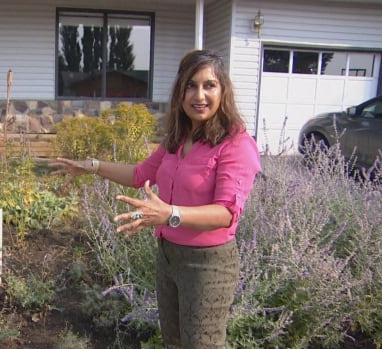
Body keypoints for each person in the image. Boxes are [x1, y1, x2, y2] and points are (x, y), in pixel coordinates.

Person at [49, 49, 261, 349]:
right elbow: (139, 174)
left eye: (209, 85)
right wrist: (92, 167)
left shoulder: (236, 143)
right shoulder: (178, 138)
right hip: (168, 256)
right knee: (173, 341)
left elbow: (227, 212)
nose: (199, 95)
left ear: (223, 90)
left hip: (208, 265)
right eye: (191, 85)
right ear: (180, 92)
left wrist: (170, 214)